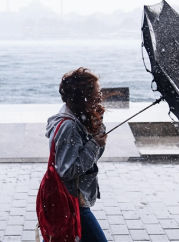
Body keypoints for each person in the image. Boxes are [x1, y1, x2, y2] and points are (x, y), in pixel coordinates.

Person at [44, 67, 108, 242]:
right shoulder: (69, 126)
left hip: (69, 200)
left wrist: (97, 128)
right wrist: (95, 144)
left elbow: (91, 159)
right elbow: (67, 170)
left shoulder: (77, 119)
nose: (99, 99)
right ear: (82, 98)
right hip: (72, 200)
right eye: (96, 95)